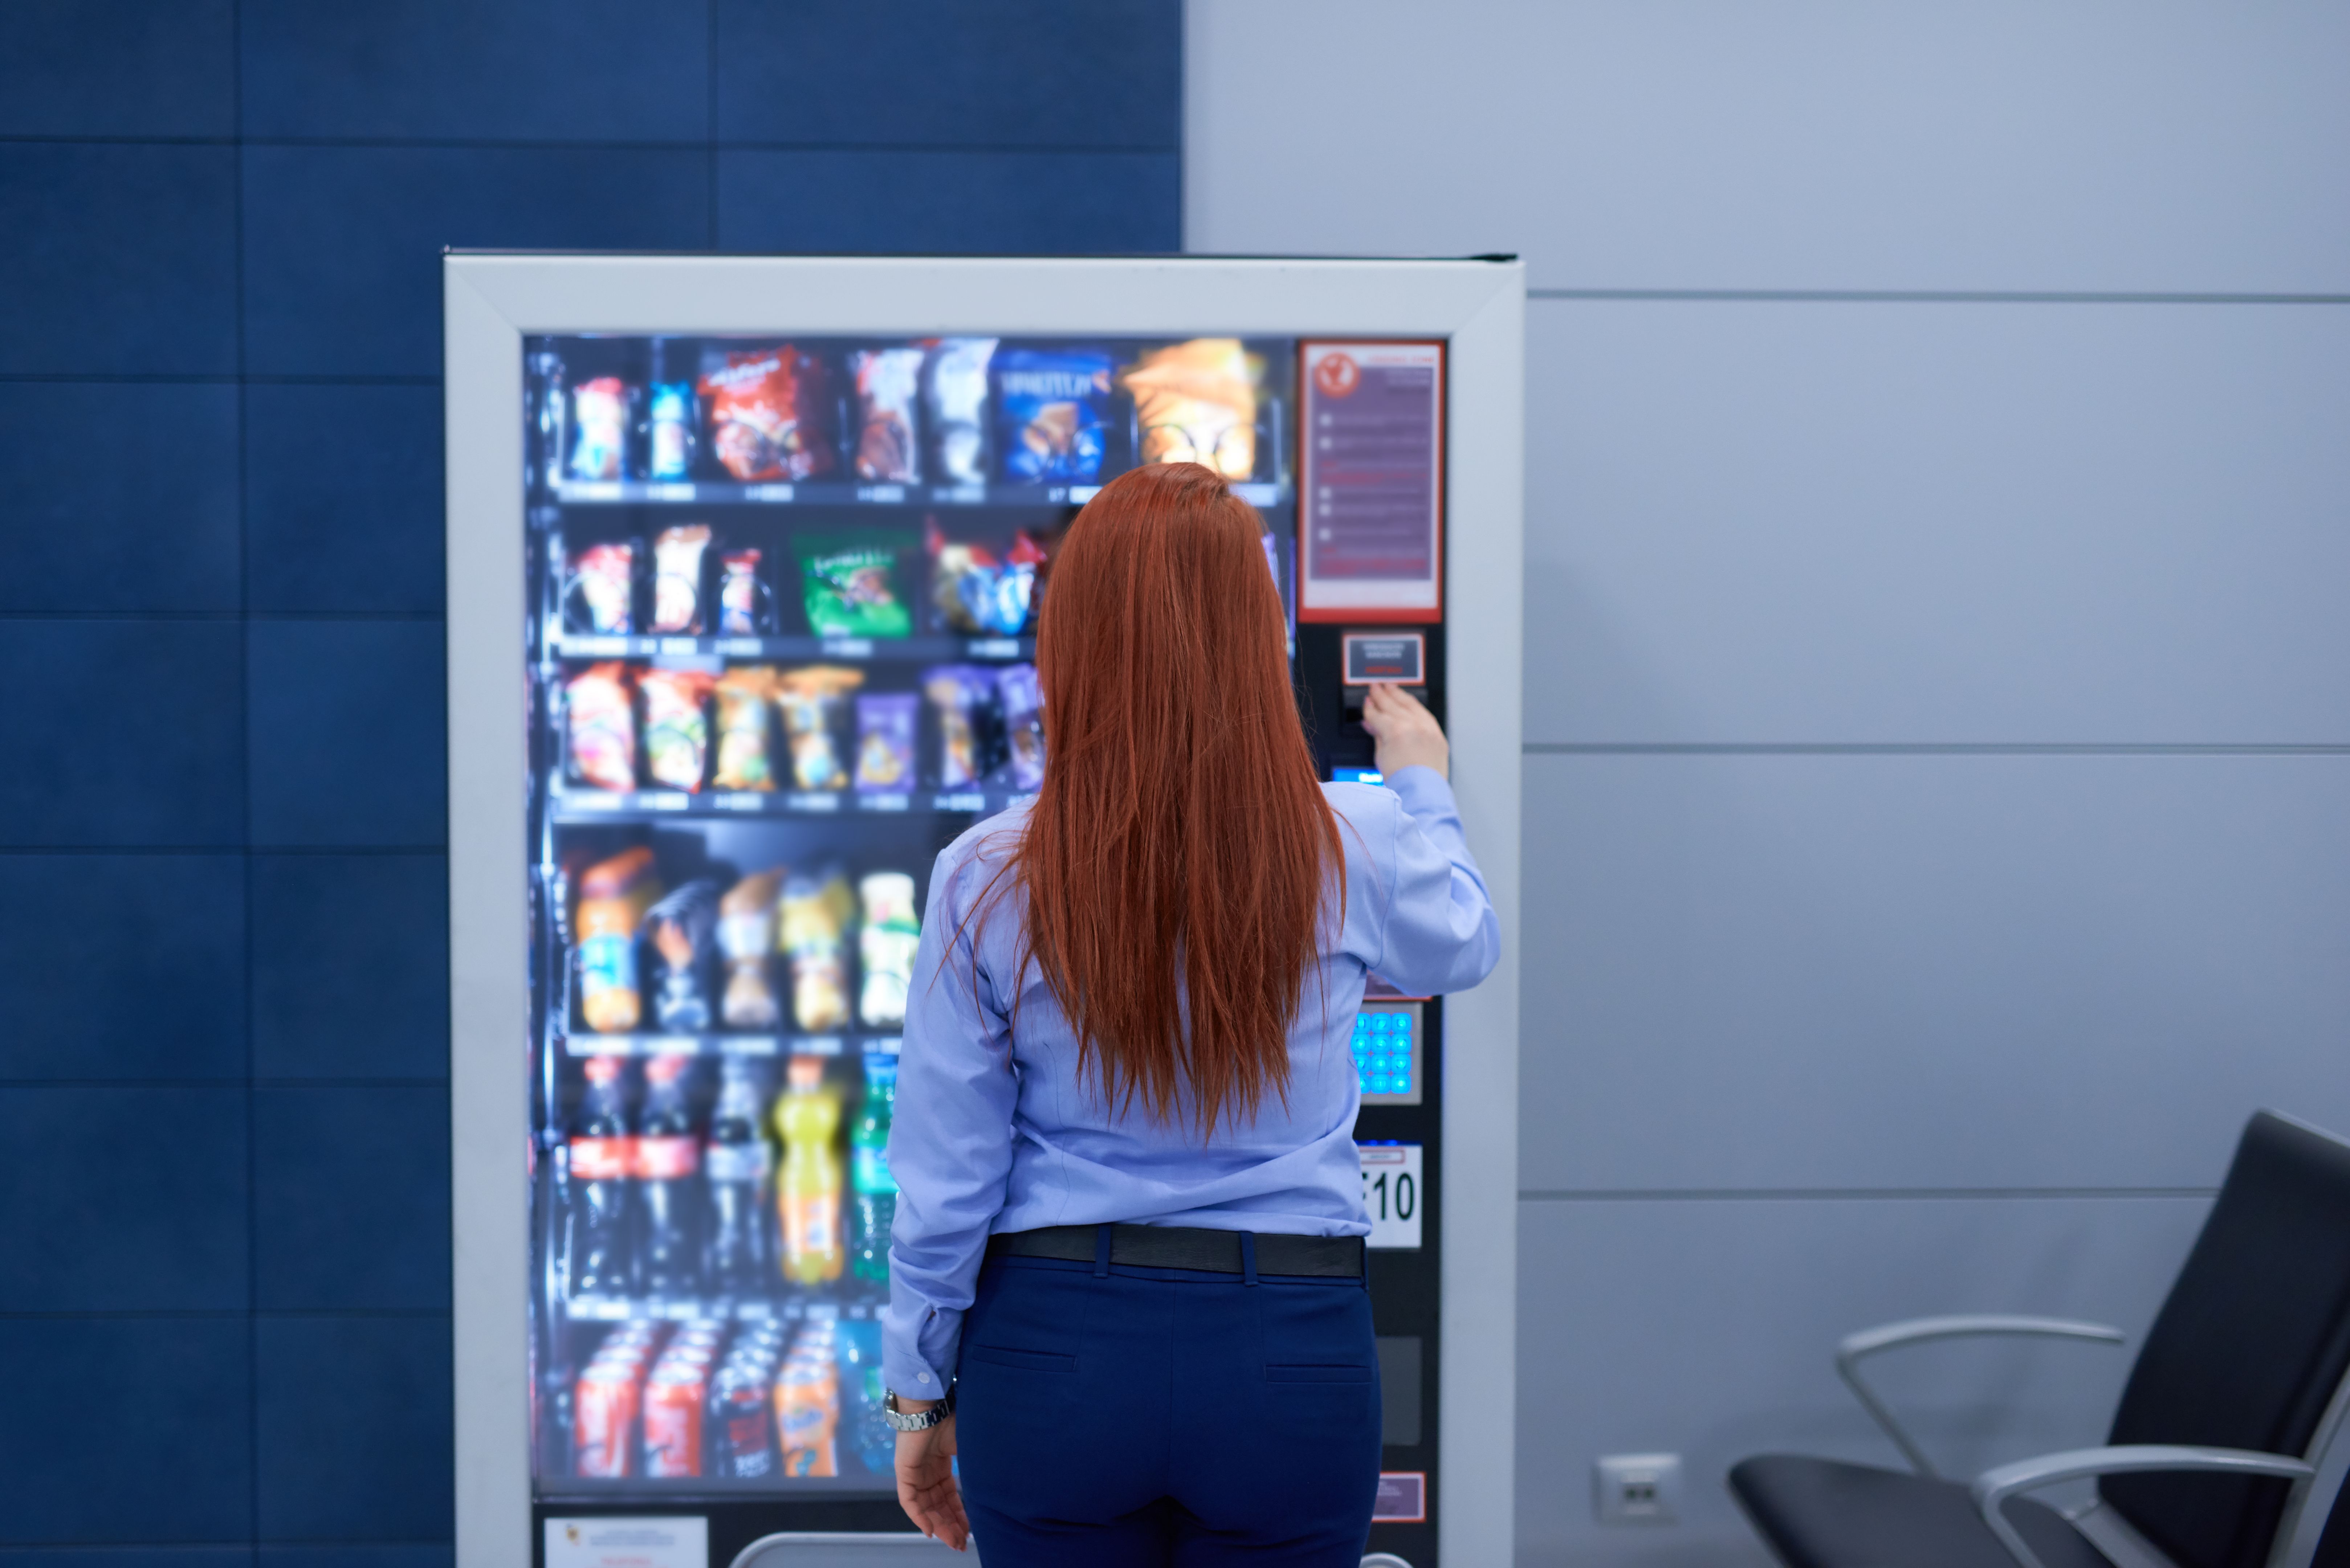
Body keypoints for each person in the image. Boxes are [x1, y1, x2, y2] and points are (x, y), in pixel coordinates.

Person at [880, 461, 1500, 1565]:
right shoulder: (1354, 842)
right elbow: (1464, 942)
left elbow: (946, 1169)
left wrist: (918, 1392)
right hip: (1290, 1353)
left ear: (1071, 643)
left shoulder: (987, 872)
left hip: (1054, 1352)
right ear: (1257, 639)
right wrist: (1420, 779)